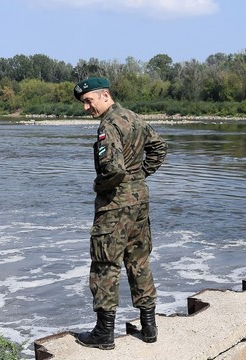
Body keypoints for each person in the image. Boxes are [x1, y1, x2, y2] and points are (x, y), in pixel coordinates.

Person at [72, 77, 167, 350]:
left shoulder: (109, 125)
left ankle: (104, 333)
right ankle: (149, 327)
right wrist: (140, 177)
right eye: (83, 103)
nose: (86, 107)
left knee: (105, 264)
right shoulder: (133, 117)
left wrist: (98, 187)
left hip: (114, 206)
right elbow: (159, 148)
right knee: (139, 260)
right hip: (139, 202)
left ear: (105, 95)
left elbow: (113, 170)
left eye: (89, 100)